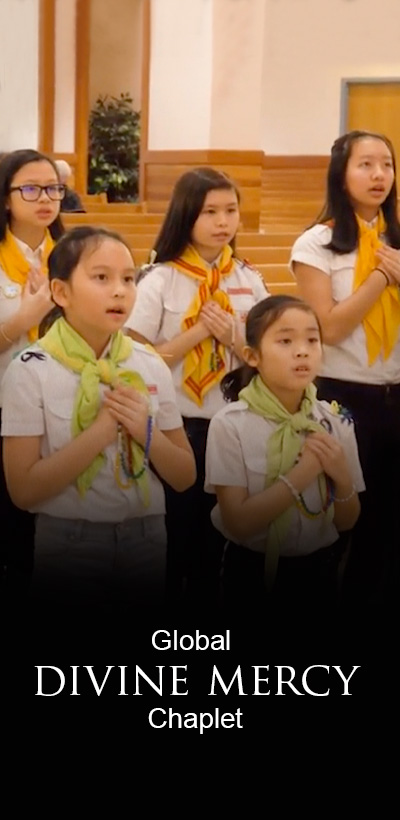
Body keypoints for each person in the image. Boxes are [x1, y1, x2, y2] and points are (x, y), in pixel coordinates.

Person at [1, 226, 196, 618]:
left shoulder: (149, 363)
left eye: (128, 278)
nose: (120, 291)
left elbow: (185, 475)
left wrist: (145, 430)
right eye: (101, 278)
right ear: (61, 292)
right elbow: (23, 491)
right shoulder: (30, 369)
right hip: (70, 539)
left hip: (147, 536)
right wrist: (103, 431)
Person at [124, 166, 269, 614]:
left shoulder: (248, 277)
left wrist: (232, 339)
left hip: (232, 425)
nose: (223, 221)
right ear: (187, 215)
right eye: (210, 212)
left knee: (217, 542)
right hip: (176, 427)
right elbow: (134, 360)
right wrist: (195, 334)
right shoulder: (160, 279)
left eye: (231, 210)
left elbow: (264, 356)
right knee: (170, 539)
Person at [204, 295, 364, 644]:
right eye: (286, 340)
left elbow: (347, 520)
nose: (302, 351)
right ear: (252, 356)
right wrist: (304, 472)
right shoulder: (230, 424)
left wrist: (340, 473)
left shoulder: (335, 420)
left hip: (318, 570)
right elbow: (238, 522)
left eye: (312, 340)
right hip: (249, 570)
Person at [290, 130, 400, 625]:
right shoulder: (318, 242)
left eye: (387, 165)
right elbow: (329, 328)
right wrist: (381, 276)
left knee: (386, 527)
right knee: (339, 518)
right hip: (341, 394)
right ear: (341, 173)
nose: (379, 175)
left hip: (395, 393)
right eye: (366, 165)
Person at [0, 148, 65, 598]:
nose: (45, 198)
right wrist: (27, 316)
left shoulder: (75, 256)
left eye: (54, 188)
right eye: (31, 188)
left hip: (62, 410)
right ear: (7, 197)